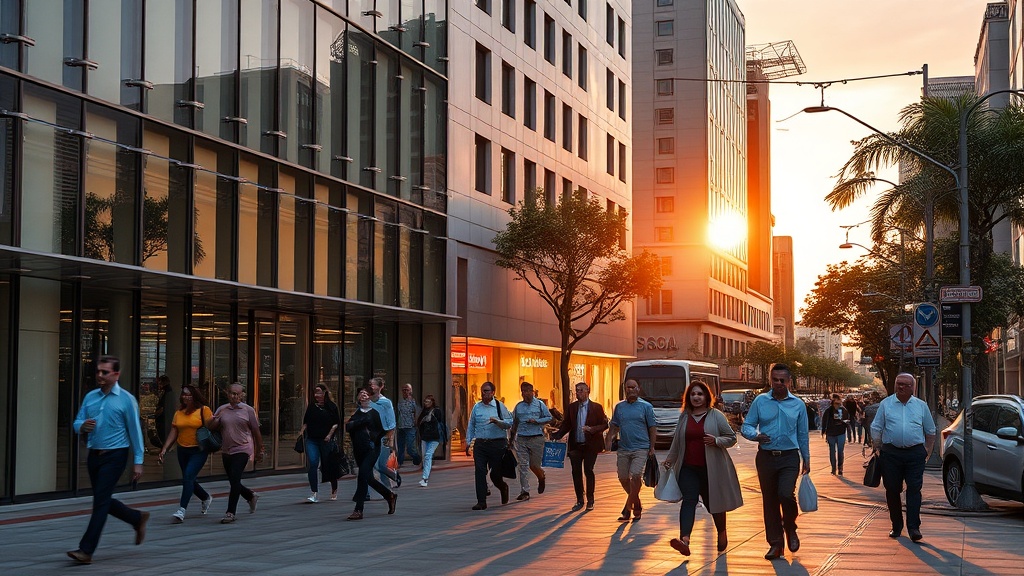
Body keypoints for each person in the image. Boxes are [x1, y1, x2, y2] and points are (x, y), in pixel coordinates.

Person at [67, 355, 150, 565]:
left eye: (105, 372)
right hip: (94, 455)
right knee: (102, 499)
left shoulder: (126, 399)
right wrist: (81, 426)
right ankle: (136, 518)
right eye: (98, 371)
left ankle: (86, 550)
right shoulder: (90, 397)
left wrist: (138, 461)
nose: (100, 375)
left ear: (116, 374)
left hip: (115, 455)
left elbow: (135, 431)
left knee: (100, 502)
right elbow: (77, 421)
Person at [662, 381, 742, 556]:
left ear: (707, 396)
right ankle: (684, 540)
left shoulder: (716, 416)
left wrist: (716, 441)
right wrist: (670, 459)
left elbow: (731, 437)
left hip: (711, 469)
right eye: (693, 394)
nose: (696, 397)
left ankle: (721, 531)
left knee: (714, 504)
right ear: (688, 398)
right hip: (688, 469)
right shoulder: (684, 417)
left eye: (699, 394)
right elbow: (677, 441)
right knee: (689, 501)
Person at [741, 363, 810, 561]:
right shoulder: (760, 401)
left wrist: (806, 459)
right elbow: (747, 425)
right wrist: (755, 436)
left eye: (782, 380)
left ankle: (790, 526)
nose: (778, 383)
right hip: (766, 458)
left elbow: (803, 433)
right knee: (769, 501)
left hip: (789, 457)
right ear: (770, 380)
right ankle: (775, 544)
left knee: (786, 495)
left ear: (789, 381)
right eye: (775, 380)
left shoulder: (798, 404)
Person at [870, 373, 936, 542]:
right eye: (899, 383)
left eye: (906, 384)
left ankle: (914, 527)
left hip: (915, 453)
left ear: (913, 387)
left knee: (914, 488)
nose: (901, 387)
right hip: (891, 453)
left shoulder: (921, 406)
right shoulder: (886, 404)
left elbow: (930, 431)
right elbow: (876, 427)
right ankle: (896, 525)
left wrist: (926, 451)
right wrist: (878, 446)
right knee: (892, 490)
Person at [156, 383, 215, 523]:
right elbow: (174, 431)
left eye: (188, 394)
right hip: (182, 449)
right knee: (189, 478)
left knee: (188, 477)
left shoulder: (204, 410)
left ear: (195, 396)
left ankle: (182, 510)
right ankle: (205, 497)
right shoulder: (179, 413)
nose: (185, 397)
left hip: (199, 450)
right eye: (183, 394)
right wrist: (164, 448)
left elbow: (213, 426)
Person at [208, 382, 264, 524]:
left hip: (243, 449)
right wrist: (217, 418)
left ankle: (230, 512)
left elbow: (256, 432)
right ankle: (250, 495)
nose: (235, 396)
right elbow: (212, 427)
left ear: (242, 395)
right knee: (234, 480)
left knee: (234, 479)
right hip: (227, 449)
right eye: (232, 393)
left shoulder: (248, 410)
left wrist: (259, 450)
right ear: (227, 394)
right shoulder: (222, 409)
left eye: (238, 394)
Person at [605, 379, 656, 522]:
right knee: (623, 477)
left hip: (641, 448)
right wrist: (609, 438)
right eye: (628, 387)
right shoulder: (620, 407)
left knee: (635, 475)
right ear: (624, 389)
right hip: (624, 448)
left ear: (638, 389)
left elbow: (652, 428)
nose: (630, 389)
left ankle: (627, 509)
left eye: (633, 387)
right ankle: (637, 504)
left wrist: (652, 447)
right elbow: (614, 425)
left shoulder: (646, 407)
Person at [553, 382, 608, 512]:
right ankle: (579, 499)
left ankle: (590, 499)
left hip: (590, 445)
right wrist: (557, 434)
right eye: (577, 391)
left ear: (588, 391)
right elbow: (567, 424)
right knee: (576, 472)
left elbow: (605, 424)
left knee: (588, 470)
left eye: (581, 390)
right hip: (576, 445)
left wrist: (592, 429)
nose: (579, 393)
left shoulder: (596, 407)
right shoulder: (572, 407)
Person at [345, 389, 398, 520]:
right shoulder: (357, 413)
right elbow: (348, 427)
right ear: (358, 398)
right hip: (359, 450)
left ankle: (358, 509)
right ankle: (389, 495)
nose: (364, 395)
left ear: (370, 398)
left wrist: (374, 440)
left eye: (366, 393)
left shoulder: (375, 413)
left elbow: (383, 430)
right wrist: (360, 422)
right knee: (368, 478)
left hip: (372, 449)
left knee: (362, 474)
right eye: (361, 393)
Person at [466, 381, 513, 510]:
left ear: (493, 392)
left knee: (495, 474)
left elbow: (509, 423)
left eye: (486, 391)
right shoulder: (477, 407)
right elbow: (471, 424)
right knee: (480, 471)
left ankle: (503, 487)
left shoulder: (499, 406)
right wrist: (468, 441)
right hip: (481, 444)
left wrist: (498, 422)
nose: (484, 393)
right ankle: (481, 501)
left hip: (497, 443)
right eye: (482, 391)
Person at [509, 381, 553, 501]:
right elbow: (513, 423)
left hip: (536, 438)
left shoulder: (539, 404)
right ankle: (525, 491)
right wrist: (511, 440)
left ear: (533, 392)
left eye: (529, 391)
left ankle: (541, 476)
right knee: (523, 465)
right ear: (521, 392)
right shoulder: (518, 407)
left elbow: (549, 417)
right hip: (522, 439)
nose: (527, 394)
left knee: (534, 465)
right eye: (524, 391)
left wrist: (537, 421)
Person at [298, 383, 341, 503]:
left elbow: (336, 423)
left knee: (328, 465)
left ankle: (334, 489)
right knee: (313, 463)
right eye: (315, 393)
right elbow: (306, 421)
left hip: (326, 440)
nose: (317, 395)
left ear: (325, 393)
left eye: (319, 392)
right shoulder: (312, 407)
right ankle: (314, 492)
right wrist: (302, 432)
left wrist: (329, 435)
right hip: (312, 439)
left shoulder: (331, 407)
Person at [367, 377, 401, 490]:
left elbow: (392, 422)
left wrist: (389, 438)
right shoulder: (367, 401)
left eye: (374, 384)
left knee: (380, 465)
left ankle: (394, 476)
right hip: (371, 436)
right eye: (370, 384)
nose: (371, 386)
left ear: (380, 387)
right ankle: (386, 488)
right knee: (374, 465)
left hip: (383, 436)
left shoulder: (386, 402)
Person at [416, 394, 445, 487]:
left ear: (432, 402)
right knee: (425, 456)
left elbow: (440, 420)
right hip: (425, 437)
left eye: (428, 401)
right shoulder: (423, 412)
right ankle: (425, 476)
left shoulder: (436, 411)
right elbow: (419, 423)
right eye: (425, 401)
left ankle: (425, 478)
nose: (426, 403)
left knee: (428, 455)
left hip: (434, 438)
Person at [819, 393, 850, 476]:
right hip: (831, 433)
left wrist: (845, 422)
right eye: (836, 403)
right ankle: (833, 468)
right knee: (832, 451)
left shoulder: (843, 410)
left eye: (839, 403)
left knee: (840, 451)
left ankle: (840, 467)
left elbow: (847, 419)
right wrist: (823, 431)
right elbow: (824, 421)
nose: (838, 405)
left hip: (841, 432)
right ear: (832, 403)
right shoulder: (828, 411)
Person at [395, 383, 422, 468]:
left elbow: (417, 413)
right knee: (400, 446)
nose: (405, 392)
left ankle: (417, 458)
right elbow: (398, 413)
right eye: (403, 390)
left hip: (410, 427)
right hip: (401, 426)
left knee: (410, 447)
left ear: (411, 391)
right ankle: (399, 461)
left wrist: (416, 422)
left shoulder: (414, 402)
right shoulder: (400, 402)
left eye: (407, 390)